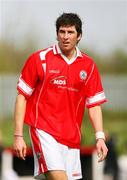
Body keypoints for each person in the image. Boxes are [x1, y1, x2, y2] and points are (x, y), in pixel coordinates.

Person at [13, 13, 108, 180]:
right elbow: (22, 97)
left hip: (72, 138)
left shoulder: (89, 65)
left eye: (70, 32)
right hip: (44, 130)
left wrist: (100, 137)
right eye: (62, 32)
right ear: (56, 34)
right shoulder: (39, 59)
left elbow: (93, 105)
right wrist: (18, 135)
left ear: (79, 36)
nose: (65, 36)